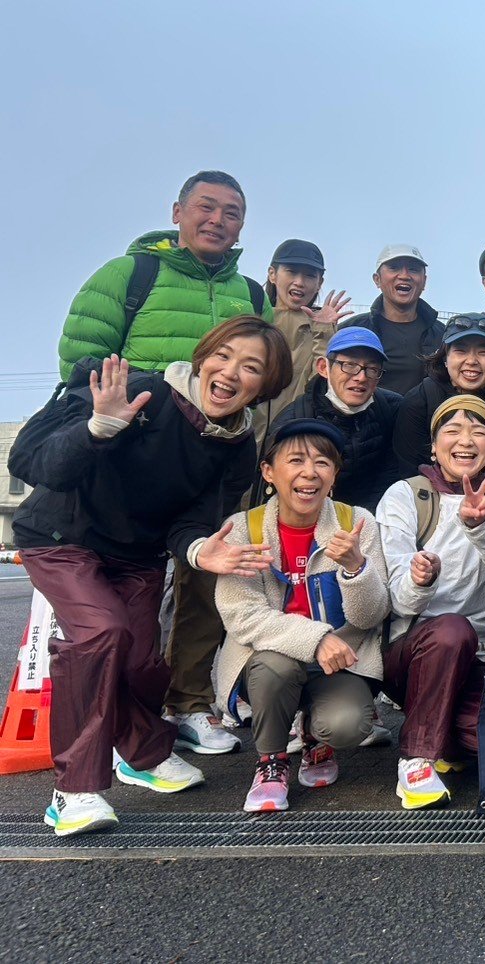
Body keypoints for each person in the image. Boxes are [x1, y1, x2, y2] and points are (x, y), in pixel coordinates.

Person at [9, 316, 294, 835]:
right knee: (101, 635)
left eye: (251, 367)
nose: (230, 373)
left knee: (142, 661)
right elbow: (29, 460)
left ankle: (141, 754)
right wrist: (97, 428)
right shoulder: (138, 391)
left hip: (138, 554)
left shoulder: (237, 445)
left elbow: (192, 520)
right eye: (223, 356)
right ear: (203, 357)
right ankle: (72, 790)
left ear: (265, 386)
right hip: (63, 537)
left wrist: (199, 549)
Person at [215, 419, 390, 814]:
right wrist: (316, 638)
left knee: (348, 725)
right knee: (274, 666)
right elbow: (242, 616)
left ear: (334, 476)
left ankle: (314, 734)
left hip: (339, 663)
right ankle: (271, 761)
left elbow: (372, 616)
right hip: (268, 663)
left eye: (323, 463)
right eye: (295, 460)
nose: (310, 472)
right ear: (268, 472)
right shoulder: (243, 529)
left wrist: (356, 569)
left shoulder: (356, 523)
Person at [377, 395, 485, 809]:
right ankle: (416, 759)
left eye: (478, 432)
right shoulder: (405, 496)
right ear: (434, 446)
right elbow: (399, 599)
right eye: (453, 431)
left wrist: (478, 524)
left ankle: (446, 739)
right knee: (452, 629)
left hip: (483, 660)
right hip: (416, 652)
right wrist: (422, 579)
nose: (465, 440)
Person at [57, 170, 271, 378]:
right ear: (177, 212)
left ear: (241, 227)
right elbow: (80, 366)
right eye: (206, 207)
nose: (217, 220)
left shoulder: (254, 295)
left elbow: (267, 373)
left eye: (231, 214)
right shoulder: (125, 273)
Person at [271, 327, 404, 511]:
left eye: (372, 369)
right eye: (349, 365)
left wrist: (367, 518)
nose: (361, 377)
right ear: (323, 368)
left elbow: (391, 473)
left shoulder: (391, 408)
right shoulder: (295, 421)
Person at [394, 315, 485, 479]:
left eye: (483, 352)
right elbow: (410, 466)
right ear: (445, 357)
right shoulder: (418, 401)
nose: (472, 360)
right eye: (461, 351)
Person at [252, 239, 353, 445]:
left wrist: (324, 332)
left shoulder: (325, 330)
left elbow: (321, 387)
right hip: (243, 437)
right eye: (291, 271)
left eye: (309, 275)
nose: (299, 281)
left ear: (320, 283)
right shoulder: (251, 319)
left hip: (294, 441)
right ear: (272, 274)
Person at [340, 244, 445, 396]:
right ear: (377, 279)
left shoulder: (443, 335)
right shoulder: (351, 330)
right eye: (394, 268)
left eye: (413, 269)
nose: (404, 275)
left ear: (424, 281)